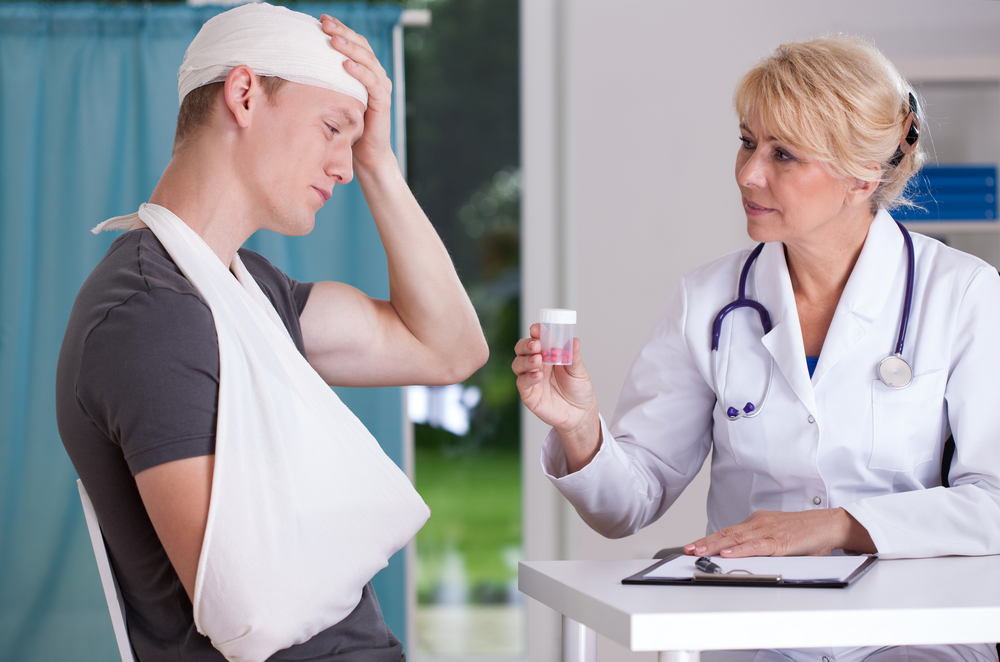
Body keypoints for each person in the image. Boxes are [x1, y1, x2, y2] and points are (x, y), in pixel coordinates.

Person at [513, 35, 1000, 662]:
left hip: (912, 630)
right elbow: (626, 505)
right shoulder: (709, 301)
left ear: (863, 175)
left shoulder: (962, 294)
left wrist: (839, 526)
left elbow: (993, 501)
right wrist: (581, 428)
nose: (748, 173)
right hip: (750, 627)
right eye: (747, 142)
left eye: (784, 154)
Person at [56, 4, 488, 662]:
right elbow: (253, 614)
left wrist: (379, 162)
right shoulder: (151, 315)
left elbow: (449, 349)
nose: (344, 167)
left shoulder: (247, 292)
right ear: (245, 94)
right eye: (333, 129)